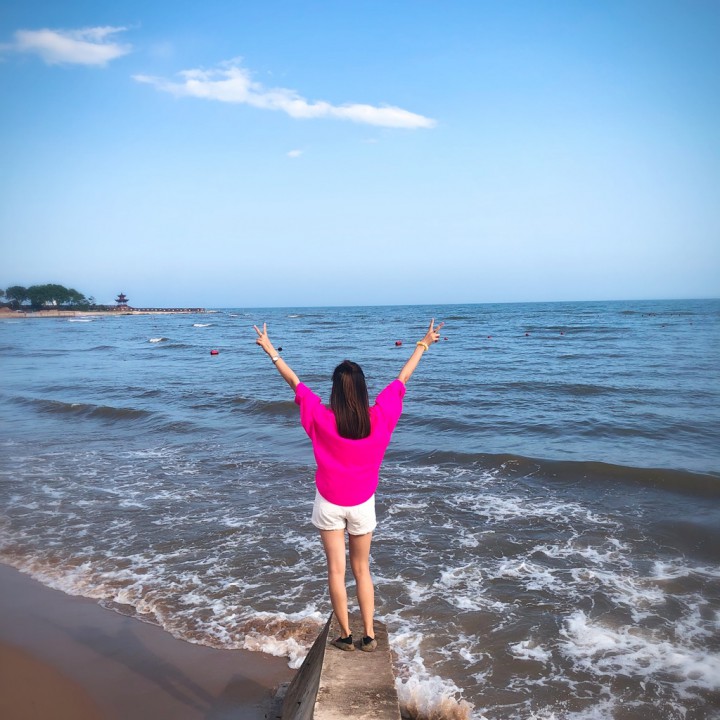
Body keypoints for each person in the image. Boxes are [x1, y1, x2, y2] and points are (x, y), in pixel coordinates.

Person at [253, 319, 443, 652]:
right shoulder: (380, 417)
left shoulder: (321, 418)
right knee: (362, 570)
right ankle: (368, 634)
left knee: (336, 571)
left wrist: (271, 351)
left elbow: (295, 382)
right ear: (363, 389)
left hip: (329, 502)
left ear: (335, 391)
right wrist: (423, 344)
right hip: (362, 503)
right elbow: (403, 378)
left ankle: (344, 635)